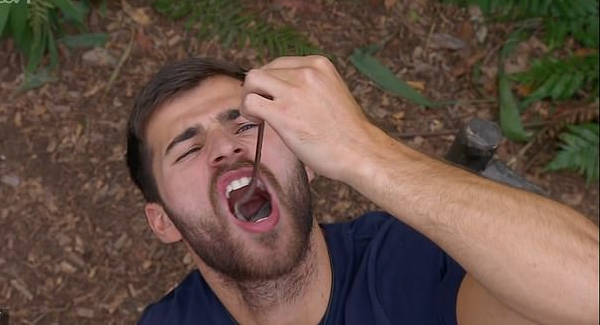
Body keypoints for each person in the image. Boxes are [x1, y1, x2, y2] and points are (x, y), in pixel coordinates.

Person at [125, 55, 598, 325]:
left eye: (247, 126)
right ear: (163, 221)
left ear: (305, 161)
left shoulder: (410, 266)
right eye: (186, 150)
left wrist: (363, 150)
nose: (224, 147)